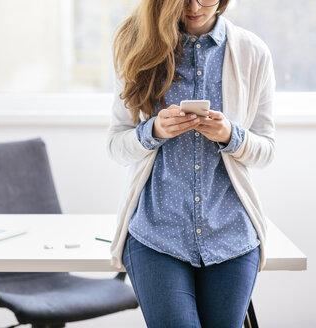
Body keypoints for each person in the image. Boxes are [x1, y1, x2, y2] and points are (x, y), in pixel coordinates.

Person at [107, 0, 276, 327]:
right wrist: (152, 131)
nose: (195, 6)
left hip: (231, 237)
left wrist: (231, 135)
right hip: (157, 235)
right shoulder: (137, 45)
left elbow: (267, 149)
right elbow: (116, 145)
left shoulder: (253, 52)